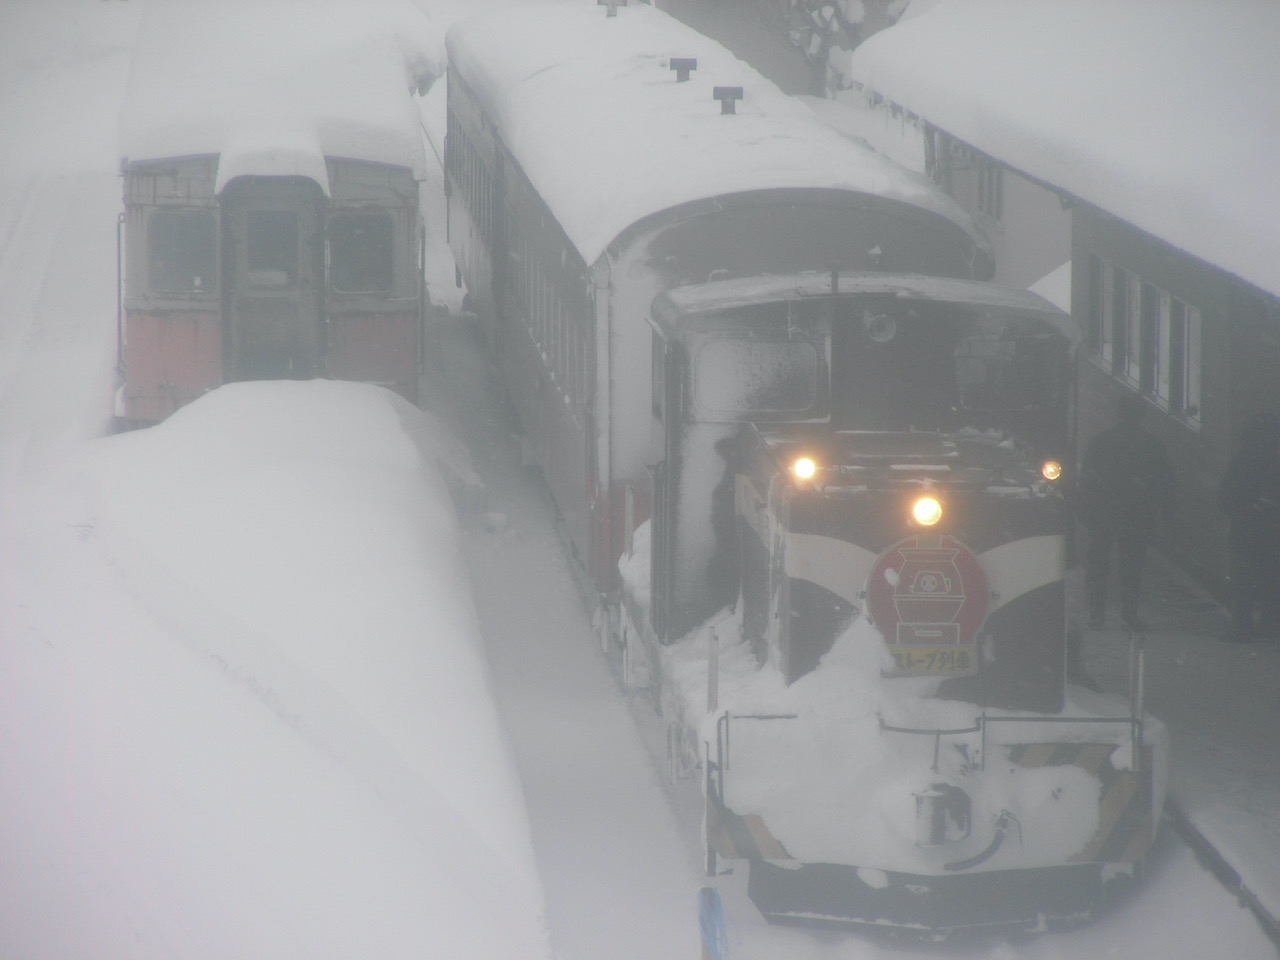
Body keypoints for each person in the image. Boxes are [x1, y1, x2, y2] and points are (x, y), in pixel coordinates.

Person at [1077, 394, 1174, 631]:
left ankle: (1096, 614)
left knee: (1099, 565)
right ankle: (1129, 614)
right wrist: (1162, 511)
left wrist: (1085, 510)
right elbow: (1164, 482)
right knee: (1132, 567)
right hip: (1135, 515)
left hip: (1104, 513)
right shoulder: (1151, 445)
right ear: (1141, 415)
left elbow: (1086, 480)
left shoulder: (1100, 442)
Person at [1217, 413, 1280, 642]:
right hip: (1269, 535)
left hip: (1246, 534)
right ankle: (1269, 625)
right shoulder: (1271, 465)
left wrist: (1246, 510)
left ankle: (1243, 626)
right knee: (1270, 583)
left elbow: (1225, 499)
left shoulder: (1242, 463)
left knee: (1244, 583)